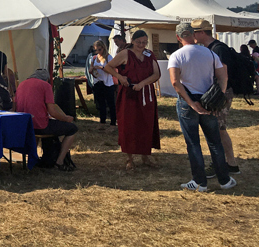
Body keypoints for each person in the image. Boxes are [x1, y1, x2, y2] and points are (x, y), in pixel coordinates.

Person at [168, 23, 236, 191]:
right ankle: (224, 180)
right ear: (193, 34)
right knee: (214, 142)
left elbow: (175, 82)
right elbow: (223, 77)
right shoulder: (210, 53)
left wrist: (191, 103)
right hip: (208, 102)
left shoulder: (176, 56)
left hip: (187, 101)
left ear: (178, 37)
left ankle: (199, 182)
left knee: (193, 144)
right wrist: (217, 96)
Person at [103, 30, 161, 170]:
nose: (141, 45)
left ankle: (145, 155)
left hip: (145, 94)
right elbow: (108, 67)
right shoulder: (125, 54)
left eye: (144, 42)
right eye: (138, 42)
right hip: (129, 94)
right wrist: (121, 78)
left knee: (146, 124)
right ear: (133, 41)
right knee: (129, 125)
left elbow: (156, 74)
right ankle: (129, 158)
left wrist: (143, 83)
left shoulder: (149, 55)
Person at [191, 19, 241, 176]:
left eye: (194, 32)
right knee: (218, 129)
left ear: (201, 32)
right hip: (218, 93)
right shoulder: (212, 48)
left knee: (217, 129)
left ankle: (225, 164)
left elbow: (223, 74)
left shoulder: (218, 49)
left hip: (220, 93)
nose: (193, 35)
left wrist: (218, 96)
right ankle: (229, 163)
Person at [15, 69, 78, 171]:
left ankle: (33, 159)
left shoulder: (22, 84)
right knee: (72, 129)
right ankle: (59, 161)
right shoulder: (45, 85)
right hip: (40, 126)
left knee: (37, 130)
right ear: (47, 79)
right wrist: (66, 118)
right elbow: (52, 111)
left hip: (24, 125)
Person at [89, 40, 116, 126]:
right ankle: (102, 120)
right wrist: (92, 70)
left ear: (103, 48)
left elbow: (113, 70)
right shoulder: (94, 58)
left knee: (111, 103)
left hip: (107, 83)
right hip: (98, 82)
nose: (97, 52)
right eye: (95, 50)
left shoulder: (109, 57)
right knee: (101, 103)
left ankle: (113, 121)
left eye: (99, 49)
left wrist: (101, 67)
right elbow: (90, 69)